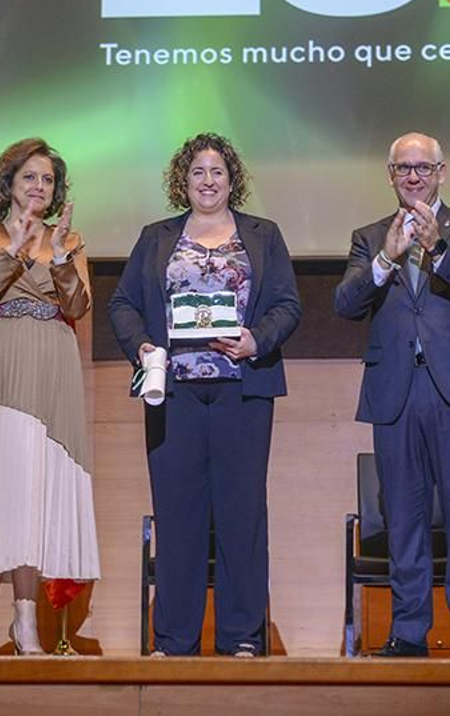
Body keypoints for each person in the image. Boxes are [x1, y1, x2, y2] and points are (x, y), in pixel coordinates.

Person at [109, 132, 300, 657]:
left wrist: (256, 339)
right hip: (174, 394)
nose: (208, 181)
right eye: (198, 172)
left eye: (217, 171)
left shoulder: (263, 235)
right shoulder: (156, 237)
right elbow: (123, 303)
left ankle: (241, 635)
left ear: (232, 179)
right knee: (178, 514)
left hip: (243, 391)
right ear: (182, 180)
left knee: (242, 514)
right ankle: (174, 639)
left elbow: (287, 304)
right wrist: (144, 346)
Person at [333, 132, 450, 659]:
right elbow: (345, 302)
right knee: (405, 519)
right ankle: (409, 632)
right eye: (402, 169)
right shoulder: (370, 235)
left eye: (423, 167)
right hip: (397, 389)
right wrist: (385, 261)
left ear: (442, 172)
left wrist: (438, 249)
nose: (413, 177)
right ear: (389, 176)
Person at [0, 137, 99, 656]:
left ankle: (26, 622)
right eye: (30, 177)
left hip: (52, 366)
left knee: (36, 492)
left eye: (49, 180)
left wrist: (58, 257)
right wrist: (13, 250)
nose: (40, 187)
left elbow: (77, 305)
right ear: (9, 184)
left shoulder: (70, 239)